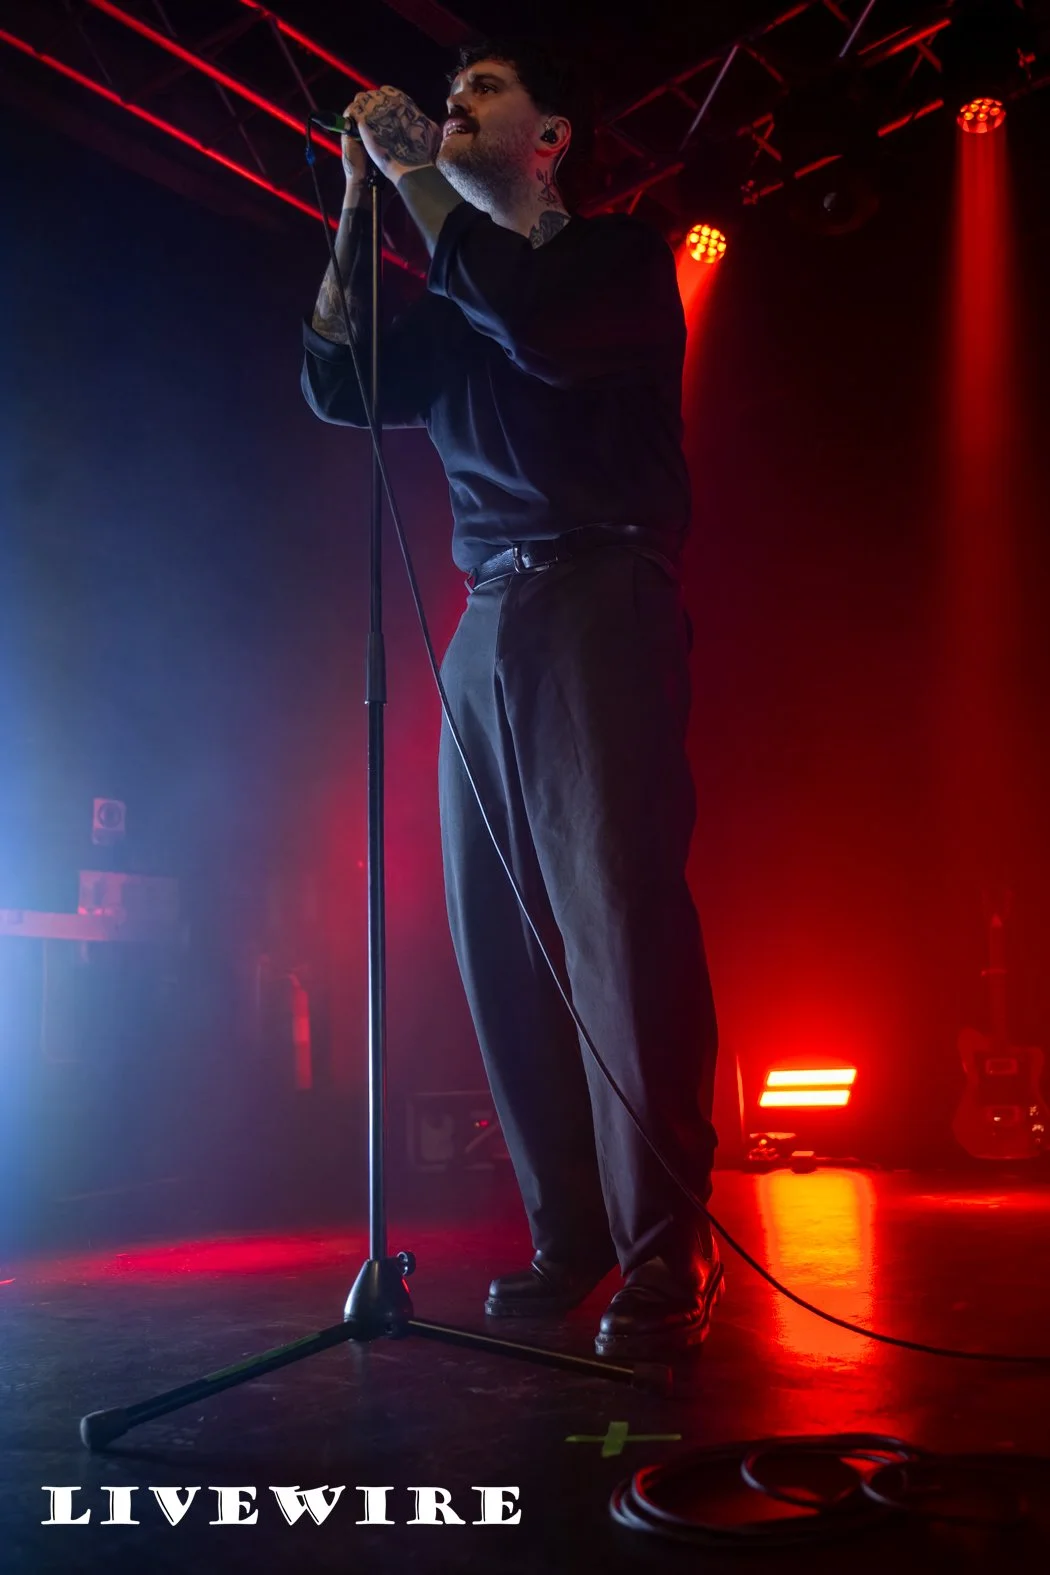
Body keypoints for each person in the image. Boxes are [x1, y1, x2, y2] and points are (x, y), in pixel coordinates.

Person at [301, 38, 722, 1359]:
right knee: (499, 935)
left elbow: (535, 325)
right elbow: (337, 382)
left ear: (549, 140)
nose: (452, 107)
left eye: (483, 92)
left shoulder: (613, 260)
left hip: (601, 586)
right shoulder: (450, 297)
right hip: (487, 613)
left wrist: (418, 180)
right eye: (451, 96)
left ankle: (668, 1248)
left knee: (614, 921)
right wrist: (359, 199)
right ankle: (568, 1231)